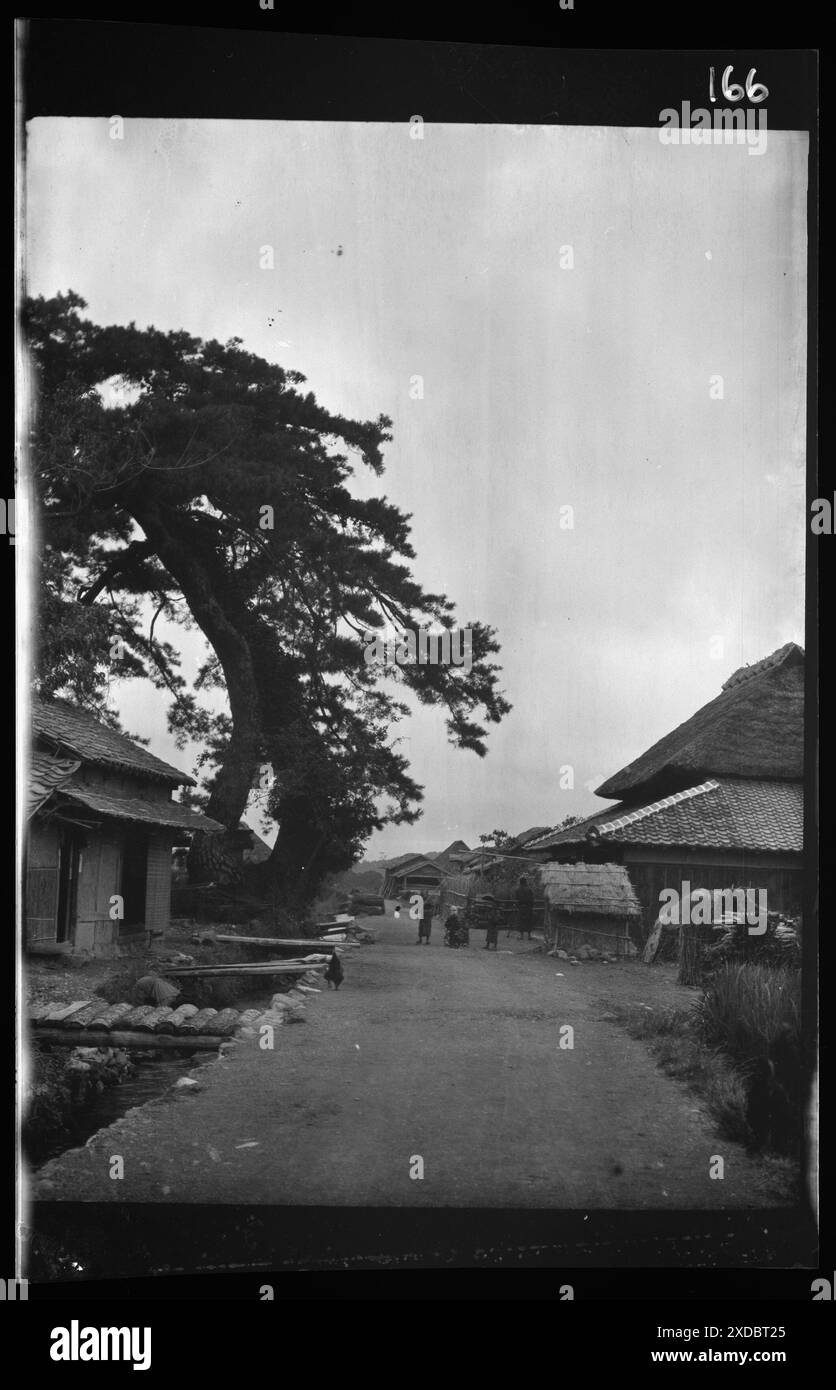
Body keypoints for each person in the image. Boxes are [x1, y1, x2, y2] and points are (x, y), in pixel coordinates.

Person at [516, 875, 535, 940]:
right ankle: (529, 936)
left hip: (521, 907)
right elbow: (532, 898)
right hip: (528, 907)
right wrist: (531, 906)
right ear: (525, 882)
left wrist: (517, 906)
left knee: (521, 921)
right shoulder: (529, 889)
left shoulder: (518, 889)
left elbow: (516, 899)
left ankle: (521, 936)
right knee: (528, 921)